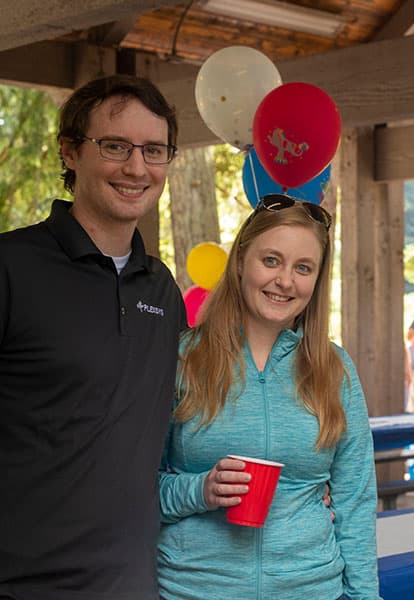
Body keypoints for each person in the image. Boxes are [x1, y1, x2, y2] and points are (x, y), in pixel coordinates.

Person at [0, 75, 186, 599]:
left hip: (134, 583)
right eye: (115, 145)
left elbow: (190, 415)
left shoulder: (162, 288)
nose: (136, 167)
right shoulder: (10, 266)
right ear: (70, 152)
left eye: (154, 150)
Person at [157, 195, 381, 600]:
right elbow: (135, 489)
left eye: (303, 268)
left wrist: (366, 597)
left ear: (316, 279)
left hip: (311, 589)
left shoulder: (335, 368)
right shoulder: (181, 358)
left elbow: (355, 503)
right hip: (193, 589)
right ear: (241, 260)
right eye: (271, 260)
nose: (285, 281)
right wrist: (200, 491)